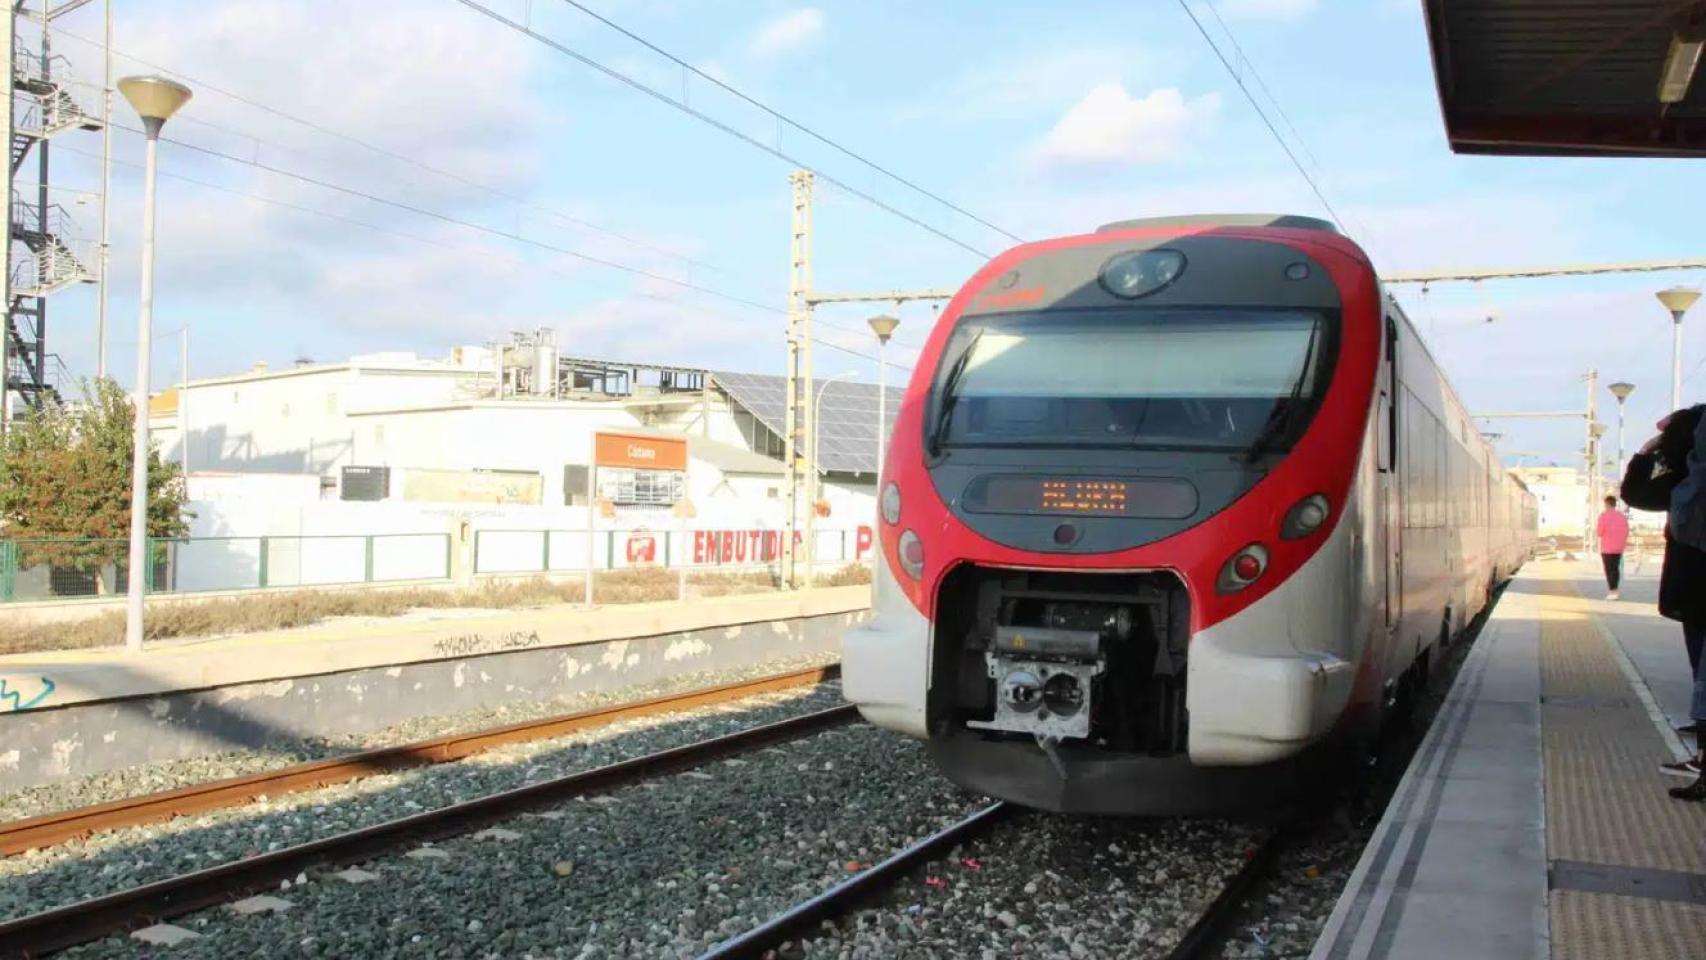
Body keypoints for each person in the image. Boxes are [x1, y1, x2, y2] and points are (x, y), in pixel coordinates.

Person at [1620, 405, 1706, 798]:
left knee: (1703, 673)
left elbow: (1636, 494)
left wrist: (1646, 452)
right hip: (1694, 592)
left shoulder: (1690, 480)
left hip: (1696, 591)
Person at [1596, 495, 1629, 599]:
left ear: (1607, 504)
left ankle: (1613, 592)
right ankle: (1614, 590)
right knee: (1615, 569)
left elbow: (1599, 533)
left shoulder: (1603, 516)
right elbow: (1626, 531)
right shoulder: (1622, 516)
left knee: (1609, 569)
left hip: (1607, 548)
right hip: (1619, 547)